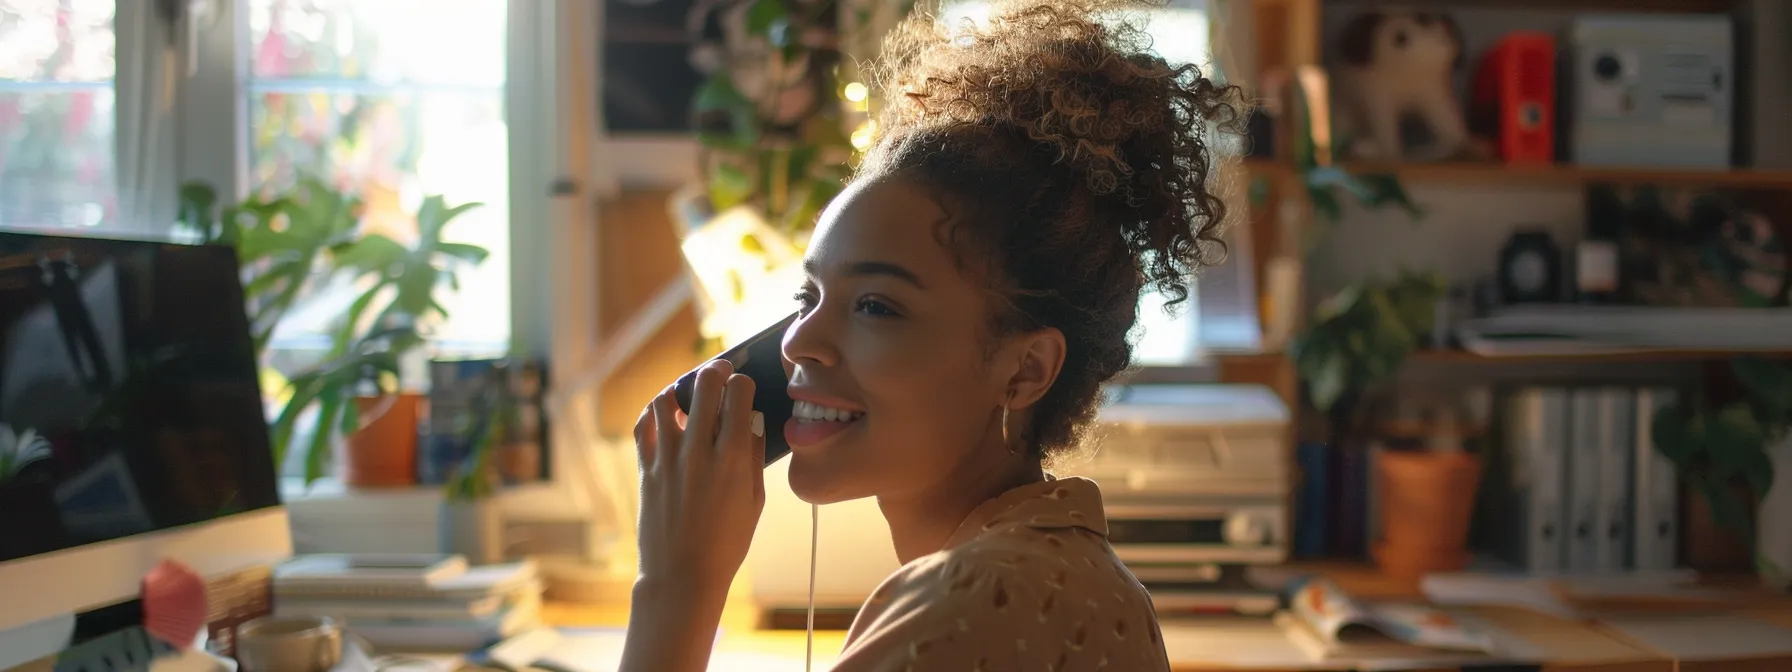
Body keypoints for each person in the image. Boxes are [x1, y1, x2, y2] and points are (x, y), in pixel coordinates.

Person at [620, 0, 1243, 669]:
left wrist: (677, 585)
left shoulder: (976, 597)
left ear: (1026, 369)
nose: (800, 342)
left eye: (877, 306)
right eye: (809, 296)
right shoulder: (1050, 571)